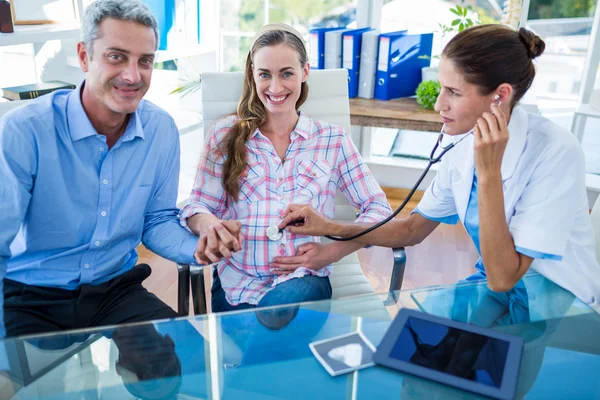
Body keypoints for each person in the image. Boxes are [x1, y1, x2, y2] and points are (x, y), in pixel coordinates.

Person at [278, 24, 600, 307]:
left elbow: (504, 277)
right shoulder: (461, 143)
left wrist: (488, 173)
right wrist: (328, 228)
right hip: (491, 288)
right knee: (413, 360)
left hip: (554, 300)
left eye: (453, 92)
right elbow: (412, 230)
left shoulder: (555, 153)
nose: (437, 104)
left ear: (500, 95)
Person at [0, 0, 199, 338]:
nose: (132, 76)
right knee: (26, 389)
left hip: (114, 290)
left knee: (187, 363)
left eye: (145, 61)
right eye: (116, 56)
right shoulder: (25, 131)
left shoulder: (161, 130)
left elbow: (156, 221)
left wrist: (201, 248)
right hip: (31, 296)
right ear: (83, 57)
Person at [179, 24, 391, 312]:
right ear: (253, 74)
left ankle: (255, 353)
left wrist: (332, 252)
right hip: (236, 286)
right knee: (275, 329)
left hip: (305, 282)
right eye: (265, 74)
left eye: (287, 73)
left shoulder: (332, 139)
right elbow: (198, 206)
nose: (275, 88)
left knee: (283, 312)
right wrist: (211, 225)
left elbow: (379, 210)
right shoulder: (224, 134)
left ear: (305, 72)